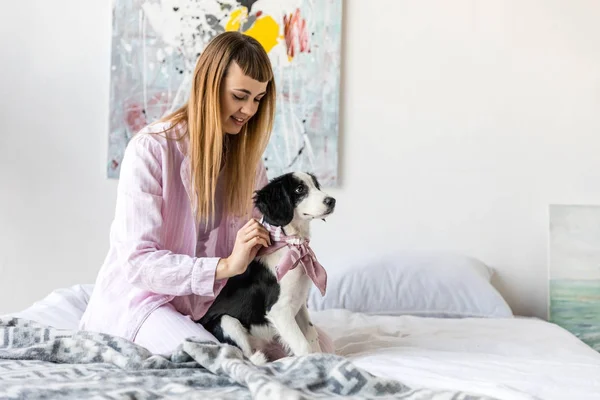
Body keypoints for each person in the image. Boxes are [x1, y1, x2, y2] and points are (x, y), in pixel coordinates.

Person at [79, 31, 334, 357]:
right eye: (240, 95)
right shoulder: (151, 150)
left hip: (216, 306)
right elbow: (139, 263)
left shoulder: (248, 162)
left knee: (321, 349)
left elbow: (264, 238)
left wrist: (291, 243)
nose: (249, 110)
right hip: (148, 301)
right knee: (216, 357)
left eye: (257, 99)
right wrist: (225, 266)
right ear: (208, 86)